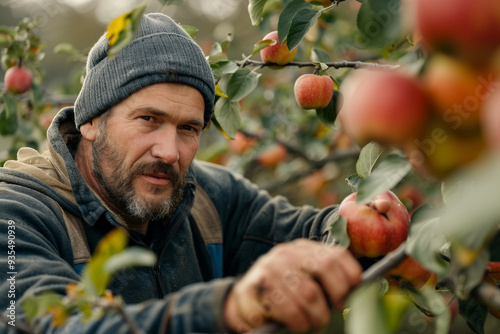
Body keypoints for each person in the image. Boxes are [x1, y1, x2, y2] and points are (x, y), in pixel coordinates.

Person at [0, 12, 362, 333]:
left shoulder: (210, 198)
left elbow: (313, 232)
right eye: (148, 119)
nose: (170, 152)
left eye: (188, 128)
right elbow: (49, 323)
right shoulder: (16, 216)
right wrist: (223, 308)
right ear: (91, 121)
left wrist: (363, 224)